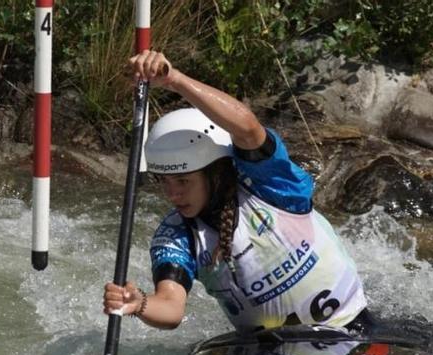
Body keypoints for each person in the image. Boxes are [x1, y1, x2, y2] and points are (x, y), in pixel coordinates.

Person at [102, 50, 368, 334]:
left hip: (351, 328)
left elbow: (248, 128)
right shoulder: (177, 234)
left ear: (215, 173)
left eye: (183, 181)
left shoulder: (269, 186)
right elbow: (171, 307)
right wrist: (139, 302)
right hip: (263, 353)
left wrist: (175, 81)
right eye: (164, 182)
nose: (173, 195)